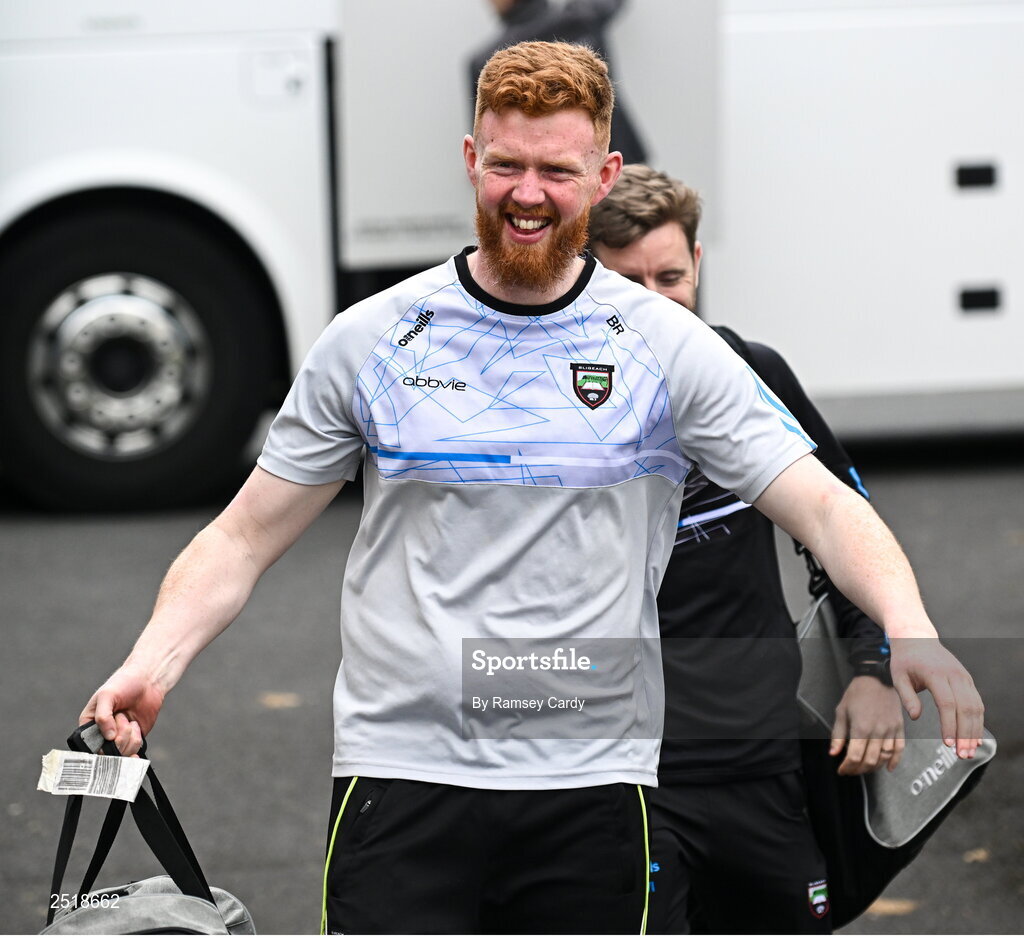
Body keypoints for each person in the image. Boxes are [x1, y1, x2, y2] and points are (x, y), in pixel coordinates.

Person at [80, 42, 983, 937]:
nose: (526, 193)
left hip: (594, 789)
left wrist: (909, 633)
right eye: (506, 164)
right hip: (402, 776)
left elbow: (825, 504)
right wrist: (151, 665)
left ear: (603, 173)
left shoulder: (665, 347)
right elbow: (241, 538)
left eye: (557, 169)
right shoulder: (373, 340)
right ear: (472, 160)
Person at [589, 164, 911, 933]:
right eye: (629, 282)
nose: (656, 300)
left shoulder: (753, 375)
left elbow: (844, 523)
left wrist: (871, 671)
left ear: (699, 266)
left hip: (762, 765)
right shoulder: (552, 404)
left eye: (671, 276)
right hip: (621, 781)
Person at [469, 0, 648, 164]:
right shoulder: (584, 15)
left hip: (552, 178)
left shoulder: (486, 60)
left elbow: (485, 147)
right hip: (623, 162)